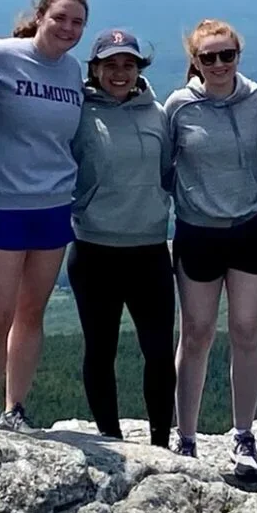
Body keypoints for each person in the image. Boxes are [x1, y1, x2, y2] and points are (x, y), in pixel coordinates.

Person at [0, 0, 88, 430]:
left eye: (77, 23)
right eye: (60, 18)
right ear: (40, 16)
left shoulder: (73, 72)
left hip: (53, 205)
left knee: (31, 312)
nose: (68, 29)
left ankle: (16, 408)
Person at [166, 19, 257, 479]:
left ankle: (243, 435)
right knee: (195, 334)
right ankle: (185, 438)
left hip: (251, 226)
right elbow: (160, 166)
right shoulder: (177, 106)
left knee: (247, 331)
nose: (218, 64)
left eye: (226, 55)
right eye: (207, 57)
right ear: (194, 60)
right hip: (198, 231)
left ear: (238, 56)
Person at [67, 28, 176, 447]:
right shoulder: (77, 112)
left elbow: (168, 172)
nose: (119, 72)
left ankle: (161, 443)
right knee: (100, 350)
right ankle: (110, 439)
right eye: (110, 64)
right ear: (93, 69)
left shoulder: (158, 113)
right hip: (94, 248)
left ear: (139, 69)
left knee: (160, 353)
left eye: (128, 64)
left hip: (148, 249)